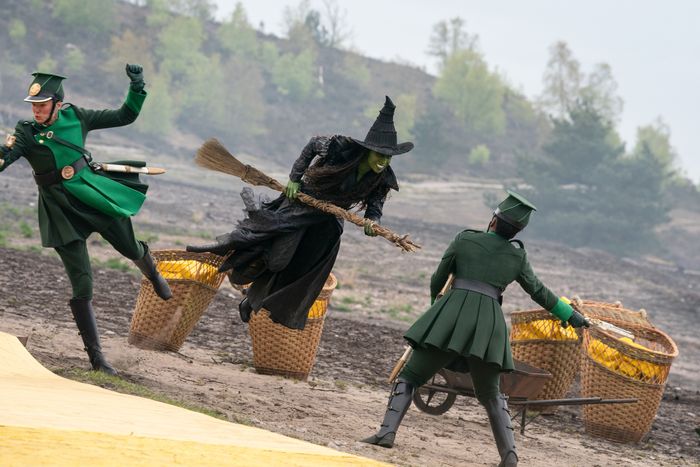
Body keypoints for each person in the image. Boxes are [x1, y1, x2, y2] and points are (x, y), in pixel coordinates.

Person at [361, 190, 589, 467]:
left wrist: (438, 310)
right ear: (517, 231)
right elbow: (539, 292)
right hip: (490, 326)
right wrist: (571, 315)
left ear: (493, 220)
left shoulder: (464, 239)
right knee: (492, 394)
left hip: (452, 315)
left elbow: (438, 279)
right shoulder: (517, 257)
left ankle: (386, 433)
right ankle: (509, 456)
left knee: (409, 377)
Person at [0, 66, 172, 376]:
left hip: (91, 194)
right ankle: (97, 360)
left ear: (57, 103)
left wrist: (137, 88)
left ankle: (152, 271)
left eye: (42, 104)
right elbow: (5, 157)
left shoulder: (77, 116)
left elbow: (124, 116)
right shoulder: (26, 132)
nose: (36, 110)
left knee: (130, 248)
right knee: (83, 285)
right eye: (33, 105)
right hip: (59, 210)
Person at [188, 96, 413, 330]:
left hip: (327, 223)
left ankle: (252, 302)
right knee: (278, 260)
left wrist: (372, 222)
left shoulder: (382, 178)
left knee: (302, 269)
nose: (383, 161)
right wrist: (295, 179)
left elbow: (375, 207)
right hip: (301, 206)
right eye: (380, 155)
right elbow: (314, 143)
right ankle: (235, 268)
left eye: (388, 157)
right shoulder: (341, 149)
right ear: (368, 151)